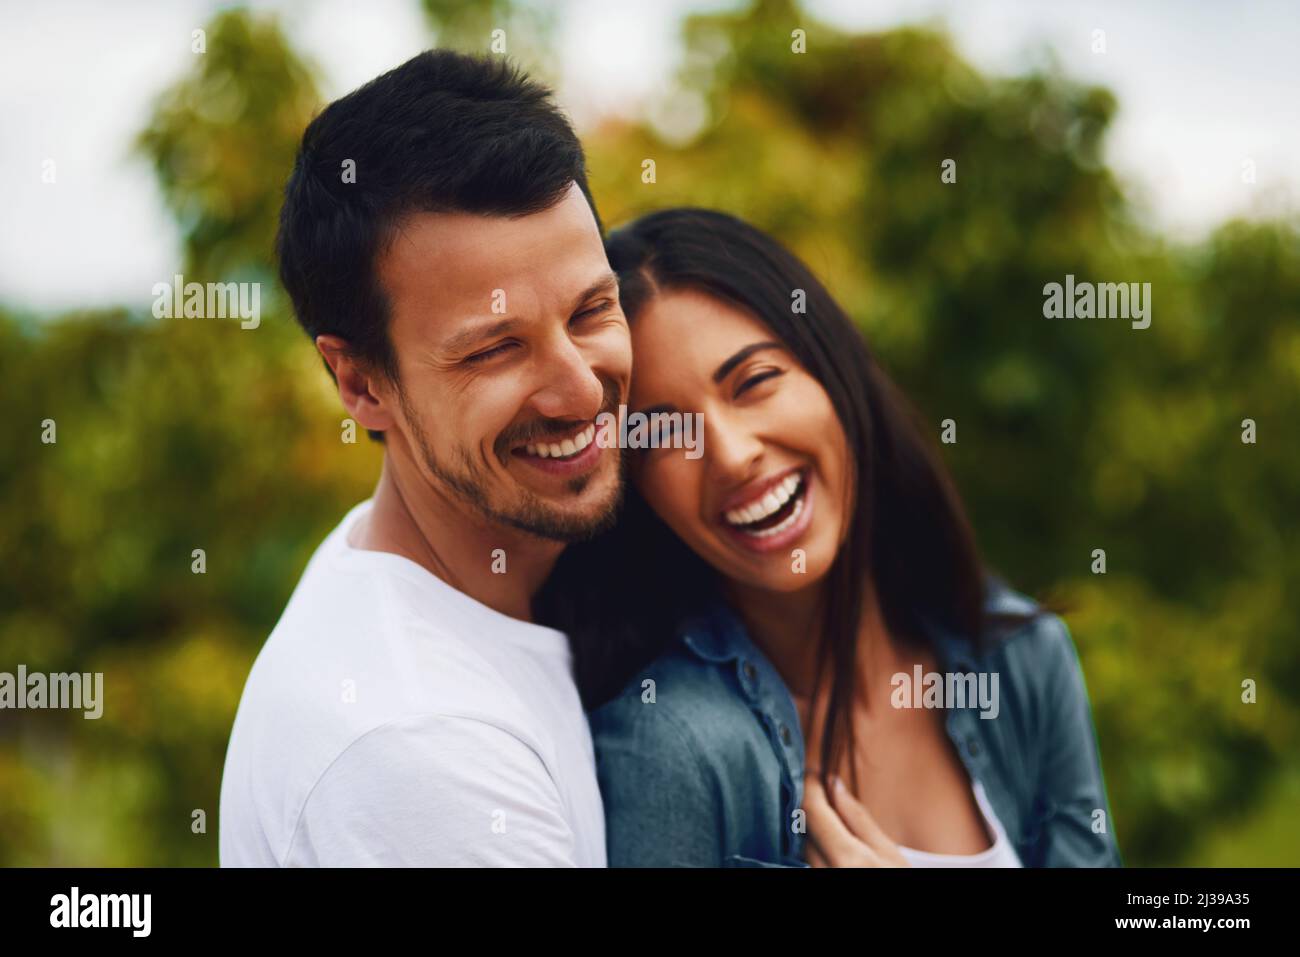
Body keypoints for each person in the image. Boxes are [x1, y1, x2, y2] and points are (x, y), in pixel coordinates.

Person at [539, 208, 1123, 868]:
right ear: (635, 486)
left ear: (833, 370)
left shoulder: (1021, 658)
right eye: (665, 432)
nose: (731, 455)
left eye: (755, 381)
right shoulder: (674, 747)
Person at [219, 51, 630, 866]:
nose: (580, 390)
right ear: (360, 382)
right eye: (496, 350)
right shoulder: (419, 749)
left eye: (593, 310)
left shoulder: (419, 570)